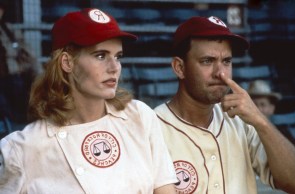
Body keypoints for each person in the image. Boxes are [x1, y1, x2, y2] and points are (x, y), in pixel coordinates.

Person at [0, 8, 177, 193]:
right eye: (100, 56)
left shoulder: (139, 116)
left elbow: (164, 188)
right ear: (67, 63)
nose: (114, 67)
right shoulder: (22, 148)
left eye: (118, 57)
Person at [154, 16, 295, 194]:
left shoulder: (242, 122)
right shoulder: (152, 128)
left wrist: (260, 121)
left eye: (226, 61)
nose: (220, 73)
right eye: (207, 61)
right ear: (179, 67)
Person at [0, 2, 37, 127]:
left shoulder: (8, 30)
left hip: (12, 78)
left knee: (23, 104)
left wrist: (37, 76)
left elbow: (28, 55)